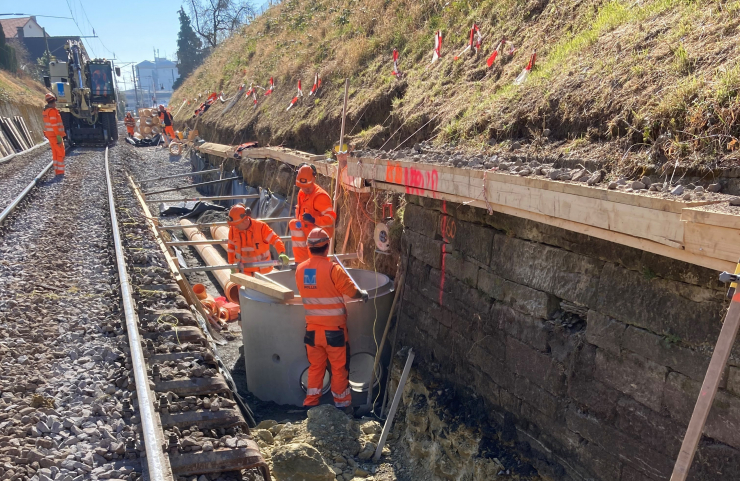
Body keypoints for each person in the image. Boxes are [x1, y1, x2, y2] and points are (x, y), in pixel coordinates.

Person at [296, 228, 368, 410]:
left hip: (312, 331)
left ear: (308, 247)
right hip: (334, 332)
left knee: (315, 367)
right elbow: (352, 291)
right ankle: (342, 406)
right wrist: (362, 294)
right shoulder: (333, 269)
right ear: (327, 247)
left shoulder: (300, 269)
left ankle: (310, 404)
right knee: (338, 369)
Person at [288, 164, 337, 263]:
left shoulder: (320, 196)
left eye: (308, 187)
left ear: (313, 180)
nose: (305, 189)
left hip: (320, 231)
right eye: (302, 187)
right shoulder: (302, 193)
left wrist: (314, 219)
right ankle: (301, 261)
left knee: (310, 231)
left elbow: (330, 219)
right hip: (306, 226)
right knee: (294, 224)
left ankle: (315, 262)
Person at [227, 204, 290, 275]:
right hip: (243, 273)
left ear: (245, 220)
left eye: (237, 224)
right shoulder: (233, 229)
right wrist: (231, 265)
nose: (235, 227)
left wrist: (281, 253)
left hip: (263, 273)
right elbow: (231, 249)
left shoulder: (261, 227)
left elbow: (275, 239)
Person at [42, 93, 66, 176]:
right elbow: (54, 125)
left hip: (51, 136)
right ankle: (60, 172)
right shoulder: (52, 111)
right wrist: (59, 138)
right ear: (54, 100)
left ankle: (57, 171)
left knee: (55, 154)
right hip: (55, 136)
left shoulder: (46, 111)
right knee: (60, 153)